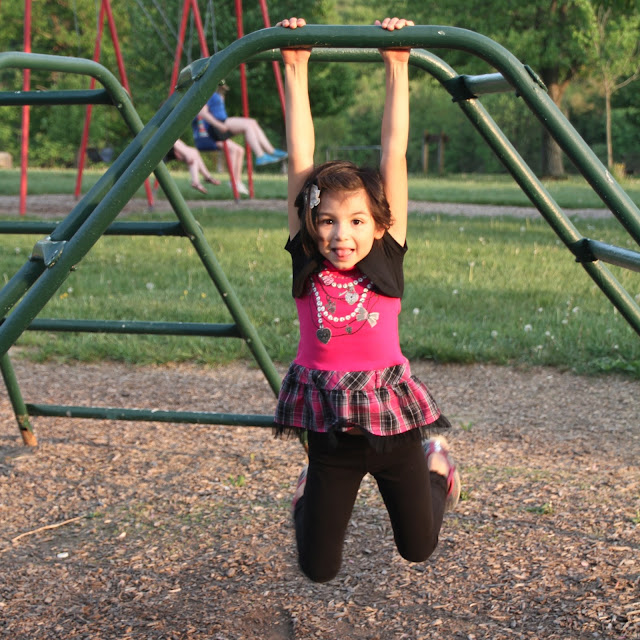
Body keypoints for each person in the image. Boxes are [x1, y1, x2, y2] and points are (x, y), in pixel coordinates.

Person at [274, 16, 461, 584]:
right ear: (312, 224)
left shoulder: (385, 256)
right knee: (318, 568)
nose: (341, 234)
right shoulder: (308, 259)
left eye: (356, 221)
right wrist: (295, 66)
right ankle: (309, 491)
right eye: (328, 220)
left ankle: (437, 468)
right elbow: (300, 159)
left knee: (418, 548)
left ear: (379, 226)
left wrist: (397, 65)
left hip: (394, 430)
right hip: (330, 433)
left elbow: (393, 154)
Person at [192, 111, 249, 196]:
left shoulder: (209, 111)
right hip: (205, 138)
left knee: (240, 150)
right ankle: (233, 181)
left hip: (211, 136)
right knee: (233, 149)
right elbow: (202, 125)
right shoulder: (202, 112)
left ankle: (237, 181)